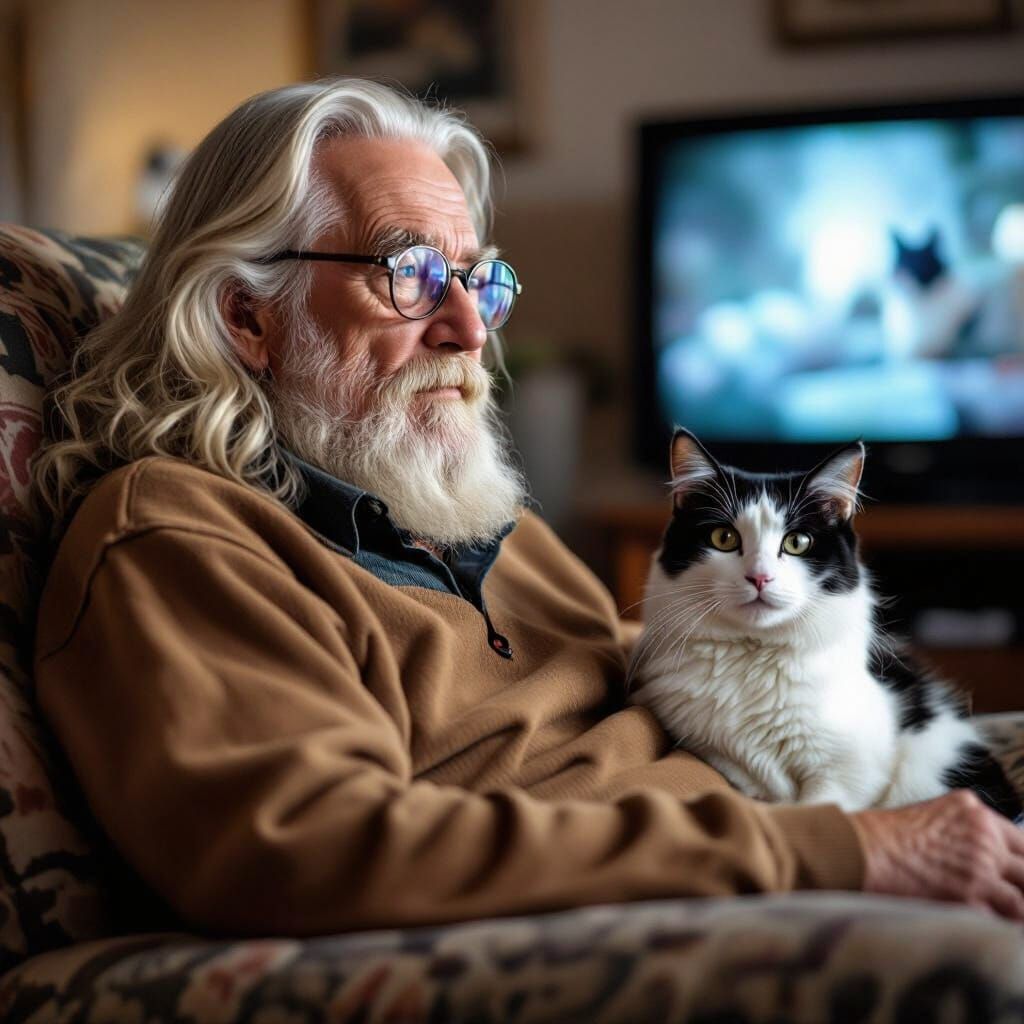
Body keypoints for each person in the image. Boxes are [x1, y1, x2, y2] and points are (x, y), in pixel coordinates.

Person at [30, 79, 1024, 937]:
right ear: (247, 317)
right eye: (410, 274)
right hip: (688, 920)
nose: (468, 328)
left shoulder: (463, 510)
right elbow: (308, 849)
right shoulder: (174, 534)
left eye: (476, 279)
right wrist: (831, 851)